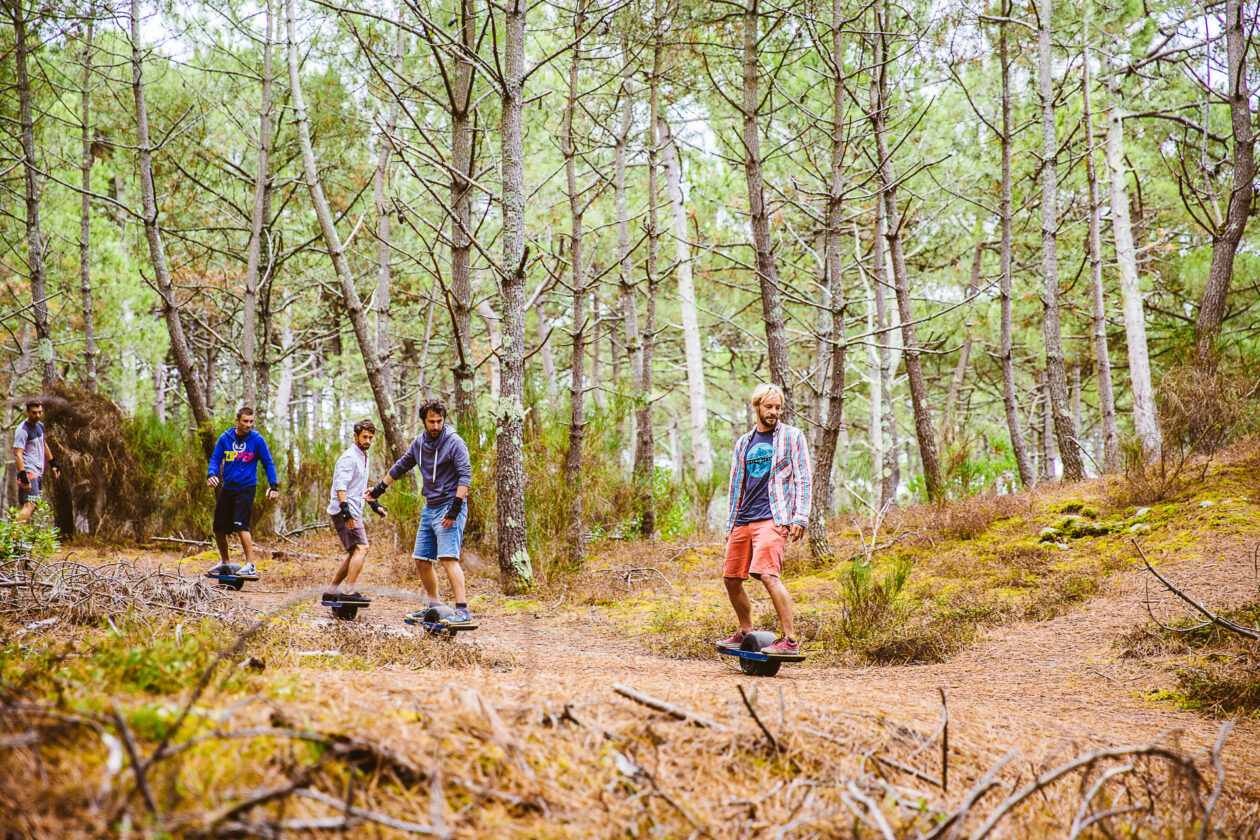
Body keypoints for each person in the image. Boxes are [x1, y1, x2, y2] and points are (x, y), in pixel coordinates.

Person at [716, 383, 813, 656]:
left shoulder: (792, 437)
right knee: (731, 578)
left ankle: (790, 640)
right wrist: (731, 523)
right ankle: (746, 632)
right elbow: (736, 485)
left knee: (768, 574)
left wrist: (800, 516)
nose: (774, 412)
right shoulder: (744, 442)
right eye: (768, 407)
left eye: (778, 407)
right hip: (743, 519)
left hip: (773, 517)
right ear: (756, 407)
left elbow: (803, 478)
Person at [367, 399, 472, 625]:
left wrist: (455, 508)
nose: (436, 426)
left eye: (439, 421)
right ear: (423, 421)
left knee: (448, 558)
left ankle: (463, 611)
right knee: (422, 560)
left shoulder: (455, 442)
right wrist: (379, 489)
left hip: (449, 507)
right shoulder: (419, 443)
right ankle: (434, 606)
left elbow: (465, 475)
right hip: (430, 507)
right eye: (431, 421)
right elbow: (401, 466)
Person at [207, 406, 279, 575]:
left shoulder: (257, 440)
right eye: (245, 421)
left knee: (241, 526)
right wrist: (211, 474)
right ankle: (225, 563)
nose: (249, 424)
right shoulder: (225, 438)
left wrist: (273, 485)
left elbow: (268, 463)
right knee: (218, 528)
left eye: (251, 421)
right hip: (228, 488)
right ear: (237, 420)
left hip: (246, 488)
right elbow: (216, 458)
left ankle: (250, 565)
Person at [323, 418, 387, 604]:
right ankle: (348, 592)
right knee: (362, 548)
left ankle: (331, 592)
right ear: (355, 436)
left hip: (352, 508)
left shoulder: (364, 456)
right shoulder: (349, 457)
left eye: (370, 437)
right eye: (364, 437)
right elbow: (340, 486)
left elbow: (359, 487)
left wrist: (375, 506)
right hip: (345, 510)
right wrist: (347, 513)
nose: (367, 441)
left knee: (354, 553)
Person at [13, 400, 60, 524]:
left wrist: (53, 464)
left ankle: (19, 534)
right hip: (29, 471)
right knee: (30, 505)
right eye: (34, 413)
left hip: (38, 471)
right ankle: (13, 535)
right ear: (27, 412)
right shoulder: (22, 430)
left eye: (40, 412)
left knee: (33, 505)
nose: (38, 415)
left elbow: (43, 445)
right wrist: (23, 476)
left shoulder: (40, 426)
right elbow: (18, 454)